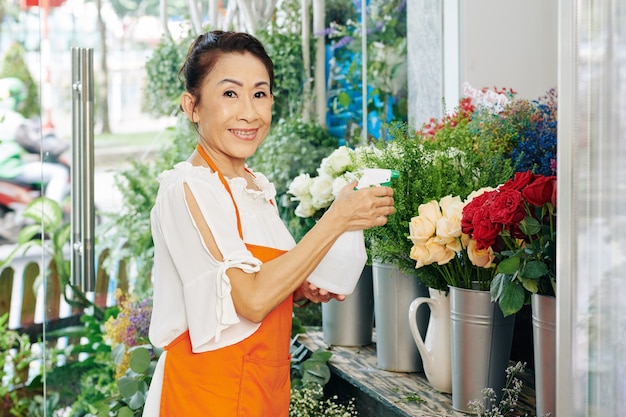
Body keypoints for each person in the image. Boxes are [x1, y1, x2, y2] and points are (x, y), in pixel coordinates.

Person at [142, 30, 395, 417]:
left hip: (261, 392)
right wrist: (336, 218)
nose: (249, 112)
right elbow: (253, 301)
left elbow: (247, 289)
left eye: (260, 94)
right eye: (230, 94)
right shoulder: (187, 188)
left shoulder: (256, 187)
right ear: (192, 106)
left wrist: (301, 286)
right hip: (207, 397)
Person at [0, 77, 69, 206]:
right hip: (11, 169)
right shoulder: (14, 120)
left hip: (4, 169)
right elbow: (32, 145)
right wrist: (55, 148)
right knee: (60, 172)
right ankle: (50, 212)